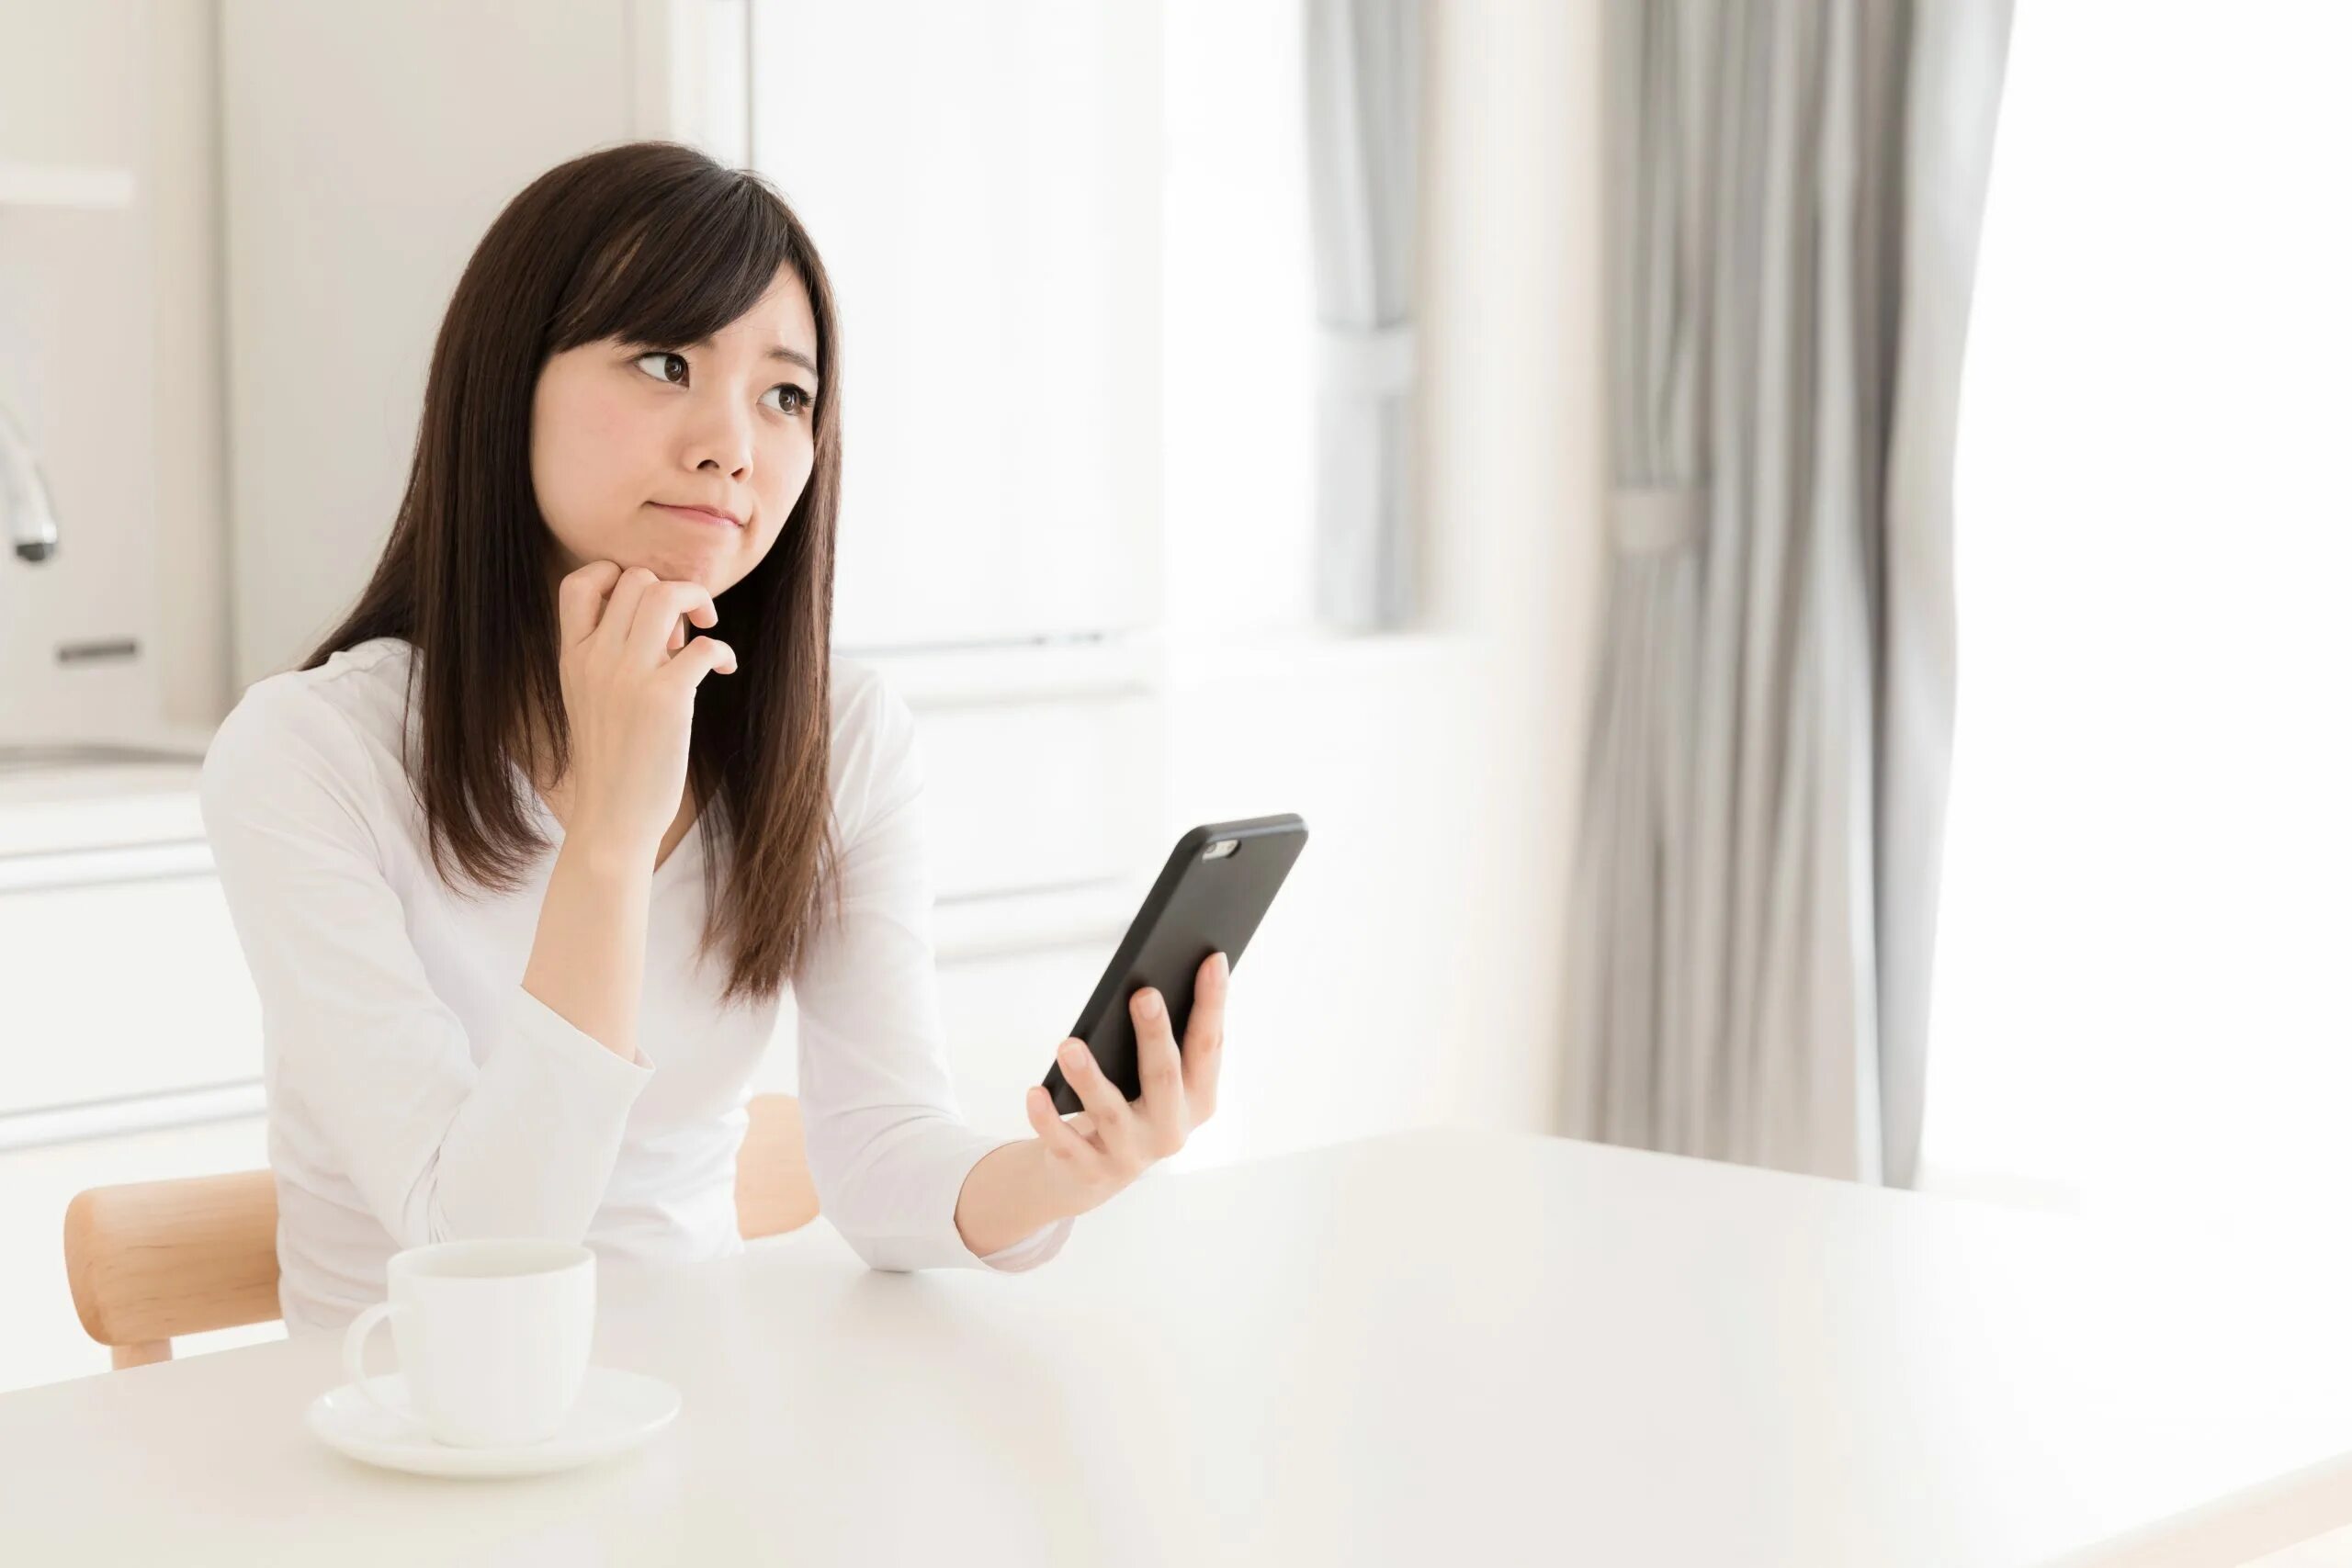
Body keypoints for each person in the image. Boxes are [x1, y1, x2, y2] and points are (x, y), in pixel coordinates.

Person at [198, 141, 1230, 1333]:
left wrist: (1066, 1169)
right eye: (663, 360)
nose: (732, 444)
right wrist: (610, 837)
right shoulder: (308, 755)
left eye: (785, 394)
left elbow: (882, 1159)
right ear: (506, 381)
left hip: (694, 1413)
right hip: (409, 1433)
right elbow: (483, 1255)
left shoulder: (839, 735)